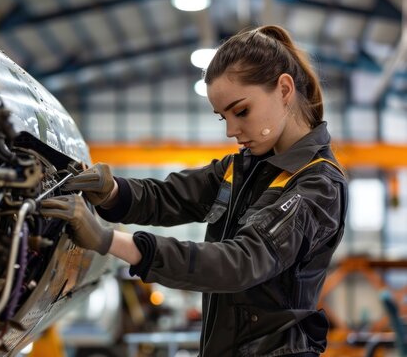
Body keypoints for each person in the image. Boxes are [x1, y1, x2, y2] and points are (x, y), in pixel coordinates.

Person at [42, 25, 348, 356]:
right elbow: (168, 197)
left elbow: (239, 263)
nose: (232, 130)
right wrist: (112, 192)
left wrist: (108, 241)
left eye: (241, 110)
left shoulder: (317, 185)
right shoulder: (243, 168)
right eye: (223, 118)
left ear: (284, 89)